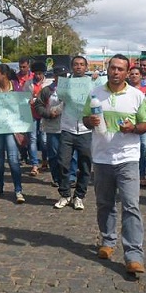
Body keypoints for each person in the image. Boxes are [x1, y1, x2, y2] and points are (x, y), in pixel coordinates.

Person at [86, 54, 146, 275]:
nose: (116, 72)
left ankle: (134, 255)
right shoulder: (96, 93)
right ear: (108, 69)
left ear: (127, 72)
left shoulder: (136, 96)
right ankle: (108, 241)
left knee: (131, 205)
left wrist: (132, 128)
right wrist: (91, 121)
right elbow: (85, 119)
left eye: (120, 69)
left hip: (128, 158)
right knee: (104, 203)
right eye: (112, 68)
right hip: (102, 157)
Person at [54, 56, 92, 208]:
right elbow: (59, 100)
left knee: (85, 164)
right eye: (76, 64)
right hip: (67, 128)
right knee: (63, 162)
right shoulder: (66, 83)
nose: (78, 67)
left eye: (82, 64)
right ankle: (64, 194)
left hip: (85, 129)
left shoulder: (93, 83)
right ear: (71, 67)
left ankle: (79, 196)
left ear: (86, 67)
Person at [0, 64, 26, 203]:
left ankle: (18, 190)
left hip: (11, 128)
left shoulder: (15, 87)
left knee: (13, 158)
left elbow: (22, 105)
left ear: (4, 75)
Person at [34, 66, 67, 201]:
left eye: (64, 75)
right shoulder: (47, 90)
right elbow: (38, 105)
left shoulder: (71, 90)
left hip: (67, 127)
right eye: (59, 75)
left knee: (66, 156)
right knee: (53, 154)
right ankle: (56, 178)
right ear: (55, 76)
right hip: (52, 127)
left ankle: (69, 179)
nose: (62, 77)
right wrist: (48, 114)